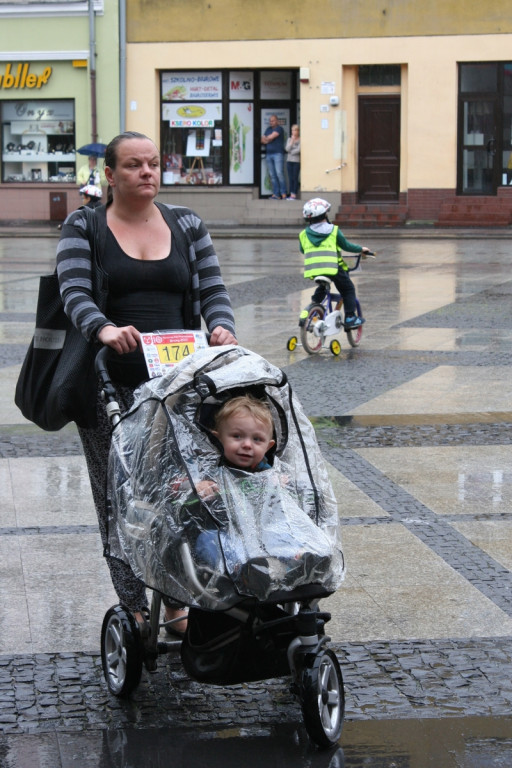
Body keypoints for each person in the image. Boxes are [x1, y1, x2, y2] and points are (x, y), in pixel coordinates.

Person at [57, 131, 237, 636]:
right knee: (119, 496)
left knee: (183, 491)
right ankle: (135, 605)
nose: (147, 173)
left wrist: (221, 327)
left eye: (154, 163)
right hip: (109, 386)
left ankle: (177, 602)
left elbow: (213, 288)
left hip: (181, 383)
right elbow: (73, 290)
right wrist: (104, 328)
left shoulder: (186, 224)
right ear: (110, 176)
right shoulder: (84, 226)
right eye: (134, 165)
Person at [299, 198, 371, 329]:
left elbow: (302, 249)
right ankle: (350, 317)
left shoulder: (303, 234)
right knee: (348, 289)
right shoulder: (333, 230)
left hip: (314, 270)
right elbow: (346, 246)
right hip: (333, 268)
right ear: (325, 214)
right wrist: (361, 249)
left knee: (323, 286)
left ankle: (312, 307)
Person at [260, 114, 287, 200]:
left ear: (277, 121)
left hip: (278, 154)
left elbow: (271, 136)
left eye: (273, 120)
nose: (271, 122)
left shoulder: (279, 129)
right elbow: (262, 140)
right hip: (269, 154)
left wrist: (268, 138)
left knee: (279, 173)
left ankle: (283, 193)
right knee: (272, 175)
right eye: (270, 121)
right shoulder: (268, 129)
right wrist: (268, 139)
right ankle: (276, 194)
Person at [285, 124, 300, 199]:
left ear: (297, 131)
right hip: (289, 161)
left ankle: (294, 193)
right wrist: (291, 142)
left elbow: (298, 150)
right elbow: (287, 149)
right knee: (290, 178)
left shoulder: (300, 140)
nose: (293, 132)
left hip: (296, 161)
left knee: (295, 177)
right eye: (292, 130)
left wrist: (291, 152)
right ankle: (291, 193)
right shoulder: (289, 139)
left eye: (294, 130)